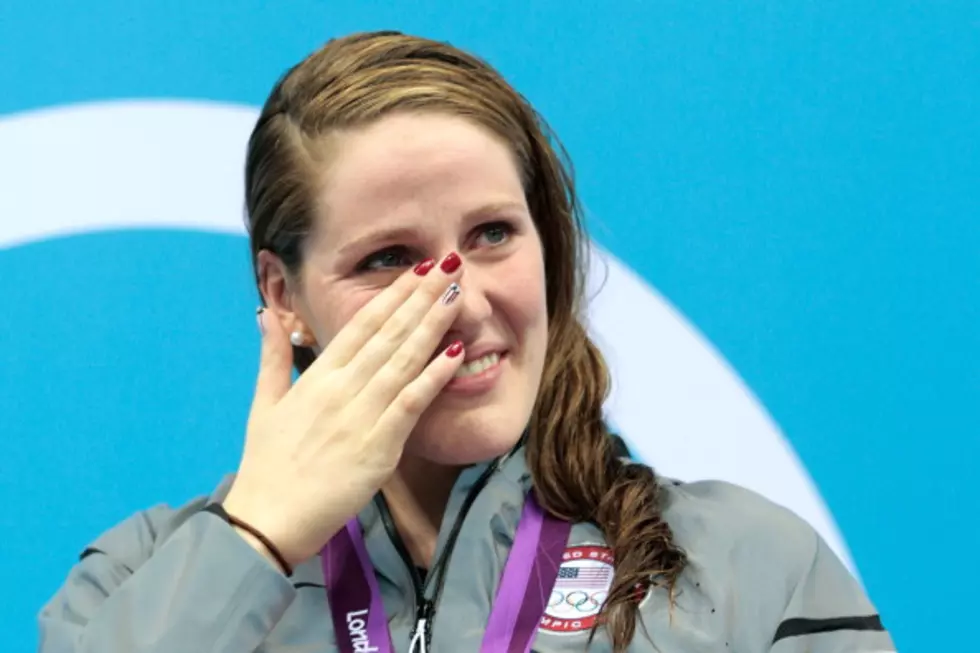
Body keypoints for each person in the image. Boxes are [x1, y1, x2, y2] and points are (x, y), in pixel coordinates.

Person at [37, 31, 896, 653]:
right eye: (389, 258)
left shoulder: (756, 571)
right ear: (282, 294)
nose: (460, 298)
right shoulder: (134, 580)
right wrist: (252, 544)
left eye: (492, 234)